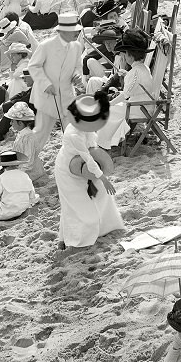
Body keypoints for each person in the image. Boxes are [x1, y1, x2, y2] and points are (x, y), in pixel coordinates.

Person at [54, 92, 123, 250]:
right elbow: (88, 158)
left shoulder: (87, 129)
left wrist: (99, 174)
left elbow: (92, 151)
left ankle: (100, 227)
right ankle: (66, 238)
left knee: (101, 195)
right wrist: (104, 179)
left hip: (85, 165)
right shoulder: (73, 134)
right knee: (73, 204)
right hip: (67, 168)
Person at [28, 13, 85, 142]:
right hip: (48, 96)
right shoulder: (46, 46)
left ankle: (73, 159)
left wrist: (77, 76)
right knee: (41, 133)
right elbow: (34, 66)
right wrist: (45, 84)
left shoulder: (76, 46)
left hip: (67, 95)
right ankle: (30, 159)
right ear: (62, 31)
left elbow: (78, 66)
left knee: (73, 132)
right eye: (73, 31)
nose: (77, 34)